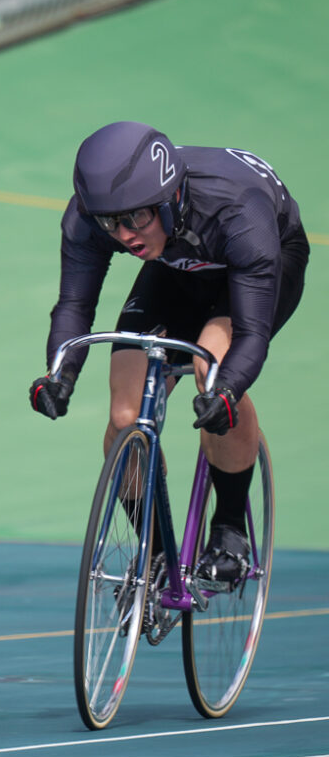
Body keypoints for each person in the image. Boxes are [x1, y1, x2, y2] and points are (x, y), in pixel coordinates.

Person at [30, 121, 308, 581]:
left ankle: (229, 530)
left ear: (171, 198)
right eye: (110, 222)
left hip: (259, 256)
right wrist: (60, 374)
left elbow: (253, 332)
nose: (122, 234)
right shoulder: (94, 216)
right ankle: (157, 555)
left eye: (135, 218)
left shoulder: (236, 211)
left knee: (209, 367)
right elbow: (75, 305)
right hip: (179, 262)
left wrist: (227, 391)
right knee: (124, 416)